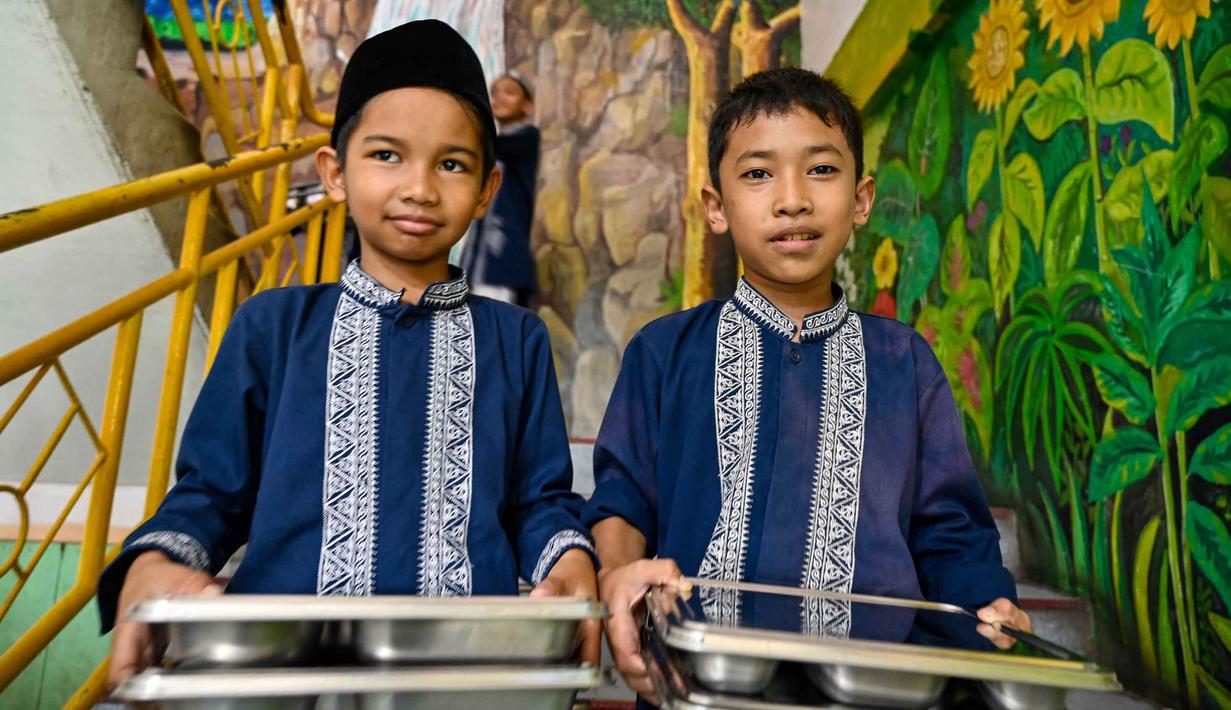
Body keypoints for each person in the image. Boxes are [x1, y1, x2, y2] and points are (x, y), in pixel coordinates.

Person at [98, 19, 598, 685]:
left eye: (451, 164)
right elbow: (209, 494)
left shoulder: (516, 340)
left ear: (486, 190)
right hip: (281, 671)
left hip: (466, 672)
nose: (419, 187)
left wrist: (566, 560)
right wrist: (154, 561)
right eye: (386, 155)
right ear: (334, 173)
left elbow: (539, 501)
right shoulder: (272, 327)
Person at [582, 68, 1031, 705]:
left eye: (821, 170)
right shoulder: (665, 352)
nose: (792, 199)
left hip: (874, 690)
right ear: (716, 207)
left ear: (862, 198)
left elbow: (951, 531)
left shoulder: (906, 363)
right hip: (699, 685)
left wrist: (990, 606)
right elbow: (622, 500)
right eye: (758, 173)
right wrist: (618, 572)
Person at [459, 71, 540, 306]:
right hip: (478, 261)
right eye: (494, 93)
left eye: (510, 92)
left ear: (527, 106)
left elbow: (492, 146)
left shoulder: (526, 139)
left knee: (496, 329)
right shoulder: (493, 147)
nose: (499, 98)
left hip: (503, 262)